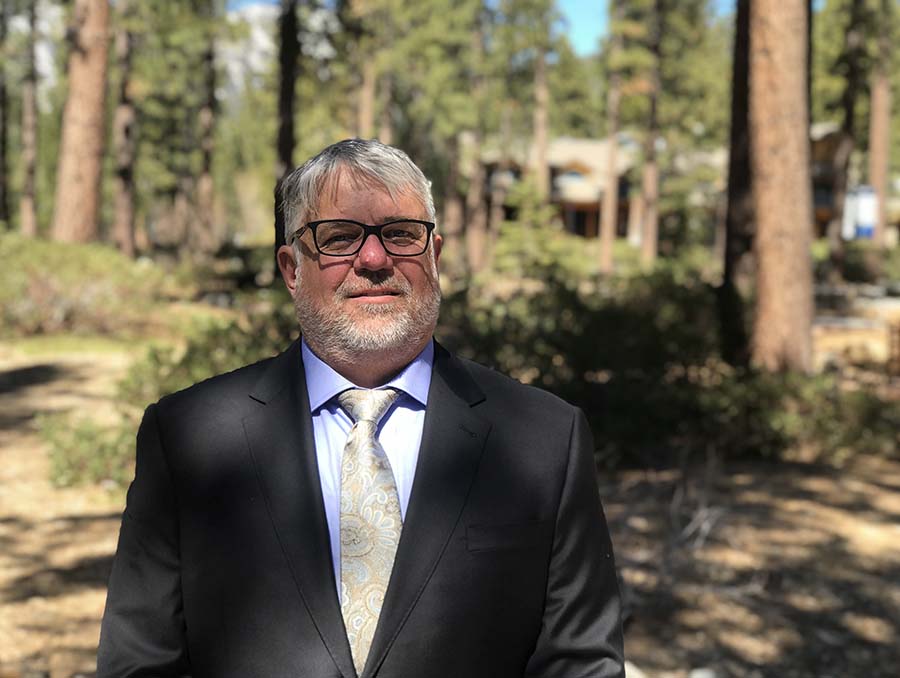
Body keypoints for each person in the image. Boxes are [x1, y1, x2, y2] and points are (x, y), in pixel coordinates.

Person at [97, 139, 625, 678]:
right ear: (291, 269)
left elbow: (580, 663)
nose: (374, 259)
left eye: (399, 234)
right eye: (340, 238)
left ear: (434, 257)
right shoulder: (189, 436)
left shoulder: (545, 439)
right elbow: (141, 662)